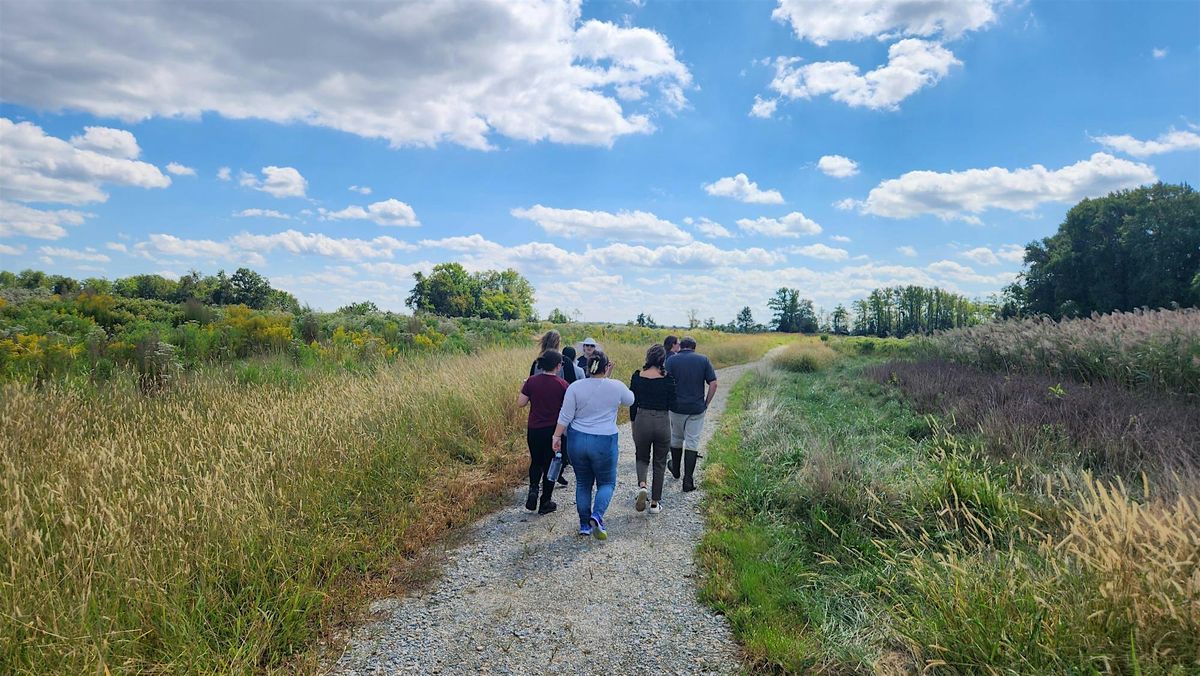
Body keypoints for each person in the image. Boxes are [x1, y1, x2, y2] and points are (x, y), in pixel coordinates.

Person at [552, 349, 634, 540]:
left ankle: (584, 524)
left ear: (587, 366)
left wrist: (556, 437)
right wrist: (610, 378)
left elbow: (565, 416)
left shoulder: (575, 387)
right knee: (606, 482)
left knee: (583, 483)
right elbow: (630, 400)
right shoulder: (616, 386)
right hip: (604, 440)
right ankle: (597, 516)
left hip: (577, 439)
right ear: (606, 367)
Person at [518, 350, 569, 515]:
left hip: (534, 429)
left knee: (536, 461)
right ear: (557, 366)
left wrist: (524, 385)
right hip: (553, 431)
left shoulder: (531, 382)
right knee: (551, 465)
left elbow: (521, 403)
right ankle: (545, 500)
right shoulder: (562, 385)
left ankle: (533, 489)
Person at [664, 336, 717, 492]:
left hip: (676, 407)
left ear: (681, 346)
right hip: (696, 408)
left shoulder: (672, 360)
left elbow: (665, 382)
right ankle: (688, 480)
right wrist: (706, 403)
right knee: (692, 442)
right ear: (694, 347)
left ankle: (675, 470)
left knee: (676, 438)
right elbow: (713, 384)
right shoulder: (703, 360)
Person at [630, 344, 676, 514]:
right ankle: (655, 503)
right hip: (662, 420)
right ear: (663, 360)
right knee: (660, 462)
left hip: (643, 418)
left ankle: (642, 485)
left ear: (647, 357)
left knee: (641, 457)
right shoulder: (668, 378)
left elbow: (633, 403)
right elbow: (673, 403)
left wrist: (634, 424)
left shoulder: (637, 376)